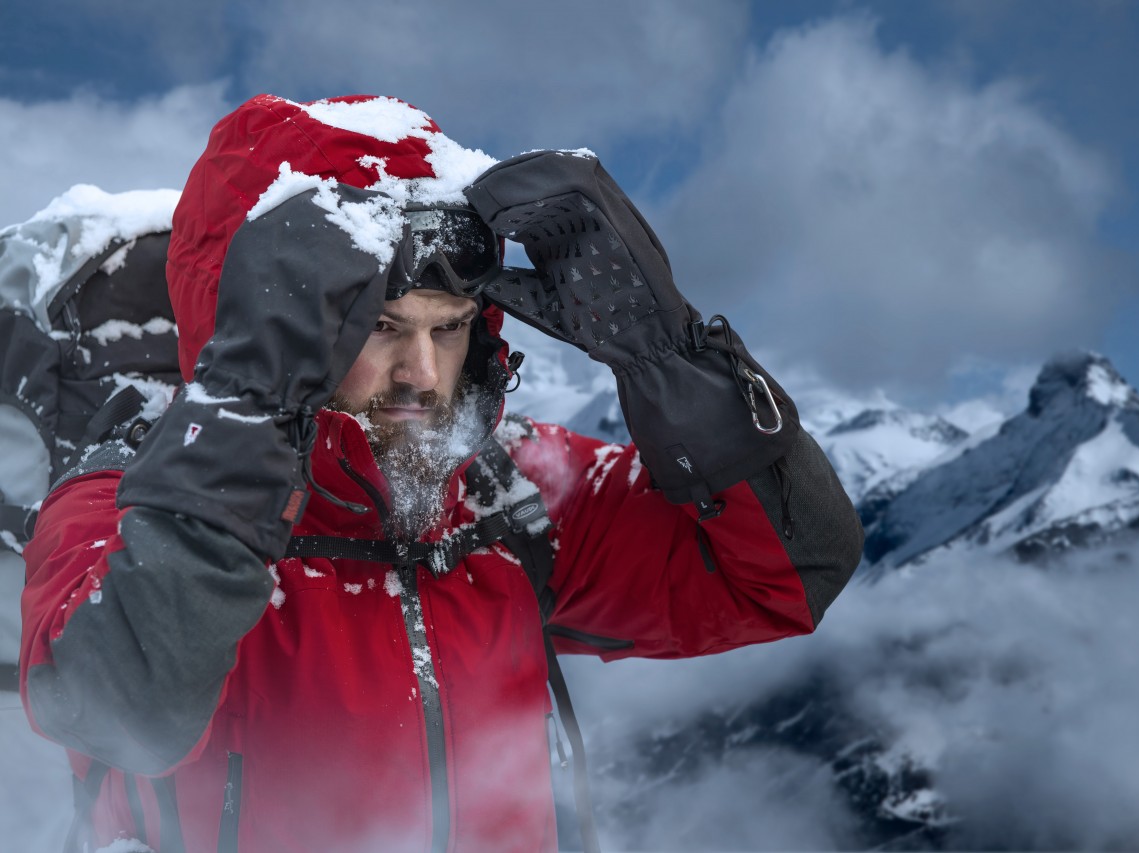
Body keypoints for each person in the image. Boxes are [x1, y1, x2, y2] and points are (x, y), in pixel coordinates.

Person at [19, 94, 863, 853]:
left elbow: (792, 574)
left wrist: (673, 365)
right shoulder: (133, 496)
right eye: (381, 325)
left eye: (452, 327)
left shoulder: (509, 489)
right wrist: (248, 405)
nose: (423, 372)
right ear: (269, 322)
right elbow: (123, 713)